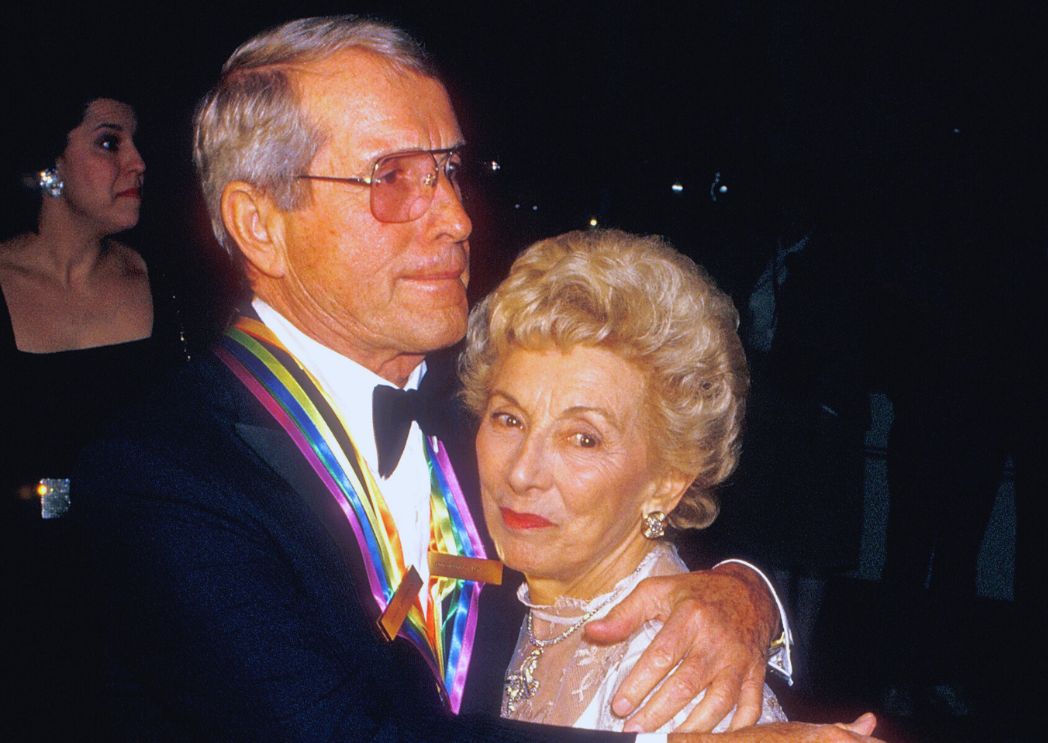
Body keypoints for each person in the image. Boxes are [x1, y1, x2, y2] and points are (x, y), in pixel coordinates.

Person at [75, 16, 880, 742]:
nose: (456, 218)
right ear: (261, 224)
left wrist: (743, 598)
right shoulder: (165, 479)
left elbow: (651, 516)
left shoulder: (501, 407)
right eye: (391, 177)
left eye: (449, 170)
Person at [459, 228, 788, 732]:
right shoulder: (507, 596)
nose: (522, 473)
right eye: (509, 419)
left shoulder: (672, 683)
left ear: (669, 480)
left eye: (583, 439)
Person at [0, 90, 188, 739]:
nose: (137, 161)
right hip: (27, 616)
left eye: (135, 143)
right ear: (50, 166)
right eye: (110, 143)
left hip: (152, 610)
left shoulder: (169, 286)